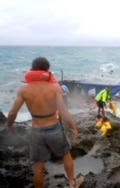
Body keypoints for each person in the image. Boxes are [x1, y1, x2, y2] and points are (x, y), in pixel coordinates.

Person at [7, 57, 84, 188]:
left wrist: (10, 125)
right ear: (47, 70)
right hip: (54, 128)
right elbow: (63, 111)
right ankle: (72, 183)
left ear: (32, 69)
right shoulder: (55, 88)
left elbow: (13, 113)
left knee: (38, 165)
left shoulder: (24, 89)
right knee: (66, 154)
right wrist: (73, 127)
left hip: (36, 130)